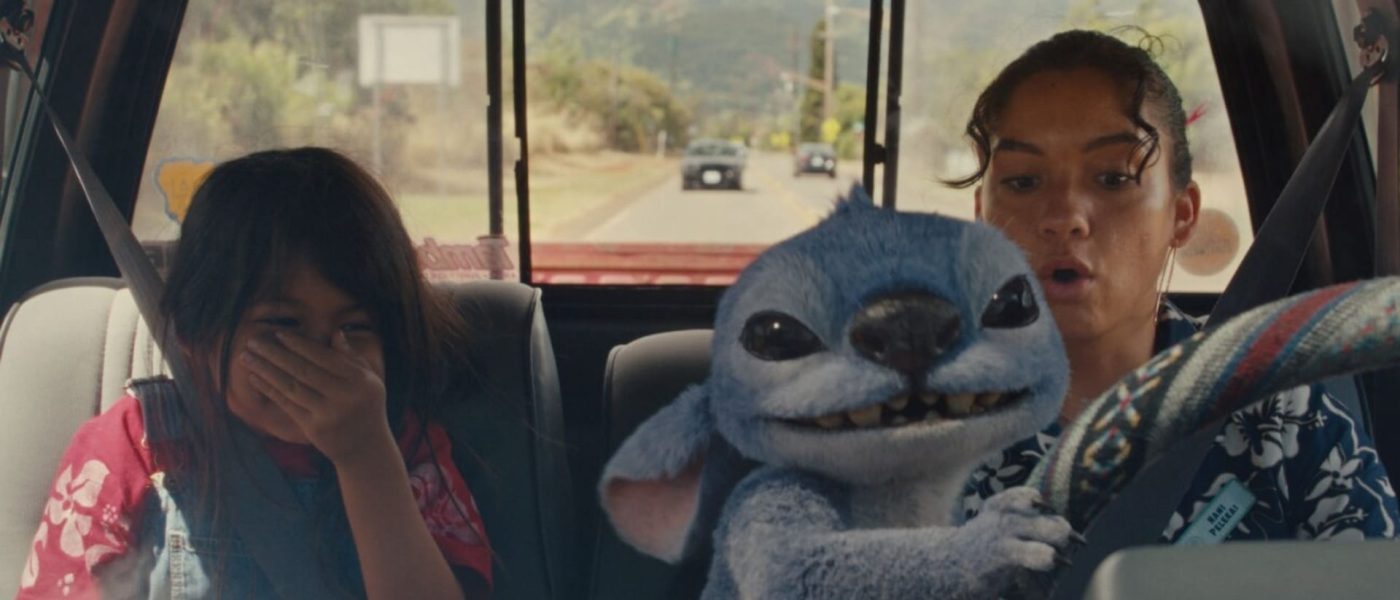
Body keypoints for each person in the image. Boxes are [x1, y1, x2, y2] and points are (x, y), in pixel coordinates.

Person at [950, 30, 1399, 542]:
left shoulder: (1278, 415)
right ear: (983, 217)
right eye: (1024, 181)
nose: (1064, 217)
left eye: (1113, 178)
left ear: (1182, 215)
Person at [17, 148, 491, 598]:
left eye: (355, 327)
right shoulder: (137, 445)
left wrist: (365, 456)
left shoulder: (406, 449)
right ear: (194, 334)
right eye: (282, 324)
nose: (323, 357)